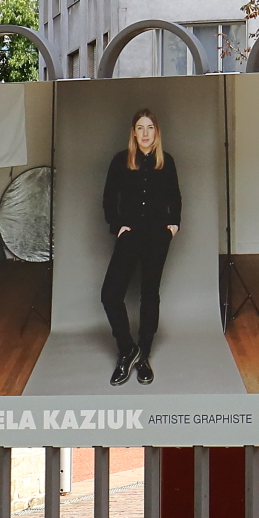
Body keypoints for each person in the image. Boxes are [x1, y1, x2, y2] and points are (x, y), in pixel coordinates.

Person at [101, 109, 181, 386]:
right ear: (133, 132)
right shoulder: (121, 161)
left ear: (156, 132)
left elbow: (175, 196)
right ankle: (128, 349)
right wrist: (117, 226)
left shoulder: (166, 162)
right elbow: (109, 198)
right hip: (131, 235)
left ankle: (144, 355)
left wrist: (173, 225)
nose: (145, 133)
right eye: (140, 127)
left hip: (158, 237)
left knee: (150, 294)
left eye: (150, 127)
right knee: (110, 294)